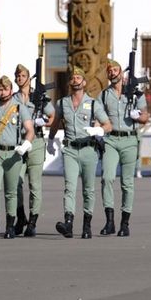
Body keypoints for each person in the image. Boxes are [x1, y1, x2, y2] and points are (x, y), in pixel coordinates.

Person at [49, 66, 109, 239]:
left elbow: (108, 124)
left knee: (88, 189)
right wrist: (51, 140)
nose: (75, 80)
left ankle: (87, 224)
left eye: (78, 78)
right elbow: (56, 122)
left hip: (89, 150)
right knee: (69, 187)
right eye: (73, 77)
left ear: (84, 82)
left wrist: (99, 131)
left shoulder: (93, 103)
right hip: (70, 150)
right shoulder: (62, 103)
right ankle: (68, 223)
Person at [100, 59, 148, 236]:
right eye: (110, 70)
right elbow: (98, 115)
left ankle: (125, 223)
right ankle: (109, 221)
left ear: (122, 72)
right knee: (107, 178)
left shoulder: (135, 93)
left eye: (115, 70)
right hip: (111, 140)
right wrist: (96, 128)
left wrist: (137, 116)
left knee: (127, 183)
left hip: (129, 140)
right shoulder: (104, 95)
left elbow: (145, 116)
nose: (112, 73)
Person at [0, 75, 33, 238]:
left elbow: (30, 130)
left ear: (11, 90)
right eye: (0, 89)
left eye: (5, 89)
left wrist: (26, 144)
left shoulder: (19, 107)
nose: (2, 92)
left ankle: (10, 225)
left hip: (13, 153)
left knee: (11, 192)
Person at [13, 66, 52, 236]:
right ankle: (21, 217)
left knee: (34, 185)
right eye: (18, 76)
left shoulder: (40, 97)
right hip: (18, 143)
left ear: (29, 78)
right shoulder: (12, 98)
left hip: (35, 143)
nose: (20, 78)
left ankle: (33, 222)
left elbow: (52, 117)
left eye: (23, 76)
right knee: (15, 182)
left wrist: (41, 122)